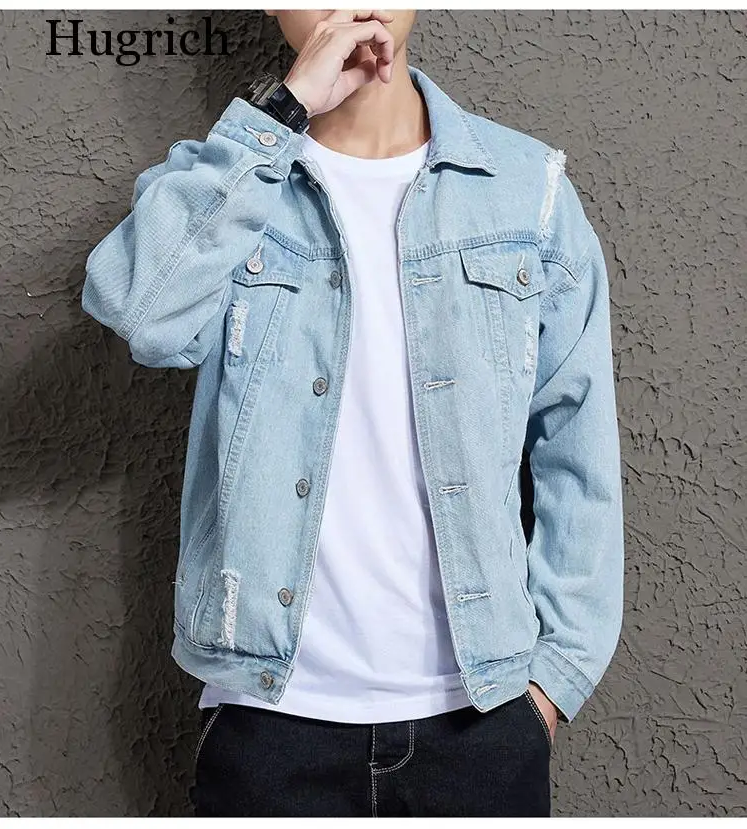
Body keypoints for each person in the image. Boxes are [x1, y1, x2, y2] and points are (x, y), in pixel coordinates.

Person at [81, 8, 625, 818]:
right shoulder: (233, 180)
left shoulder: (527, 192)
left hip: (482, 723)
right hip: (269, 726)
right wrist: (281, 113)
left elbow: (578, 453)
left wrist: (553, 683)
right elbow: (137, 310)